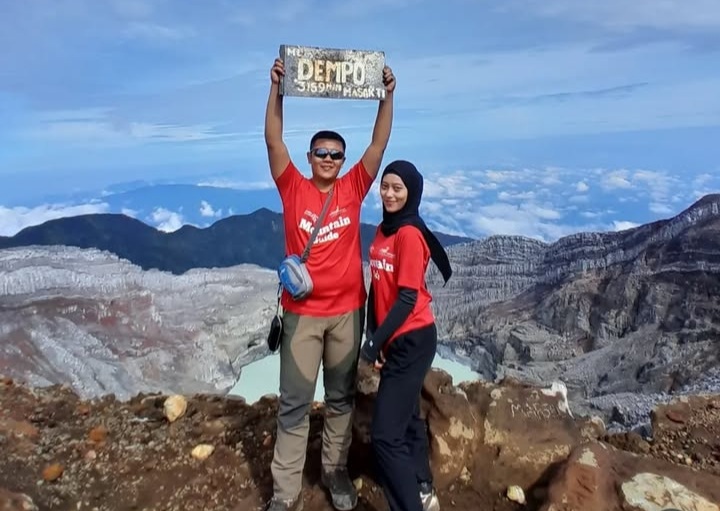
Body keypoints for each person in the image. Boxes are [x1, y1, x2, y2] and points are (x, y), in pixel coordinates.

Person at [264, 56, 396, 511]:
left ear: (342, 160)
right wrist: (277, 90)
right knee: (294, 405)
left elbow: (379, 143)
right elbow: (272, 138)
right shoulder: (292, 187)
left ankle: (335, 473)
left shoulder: (353, 187)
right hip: (302, 316)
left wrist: (388, 95)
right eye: (320, 153)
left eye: (335, 154)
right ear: (309, 158)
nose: (328, 159)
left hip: (346, 313)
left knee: (340, 400)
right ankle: (284, 494)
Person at [359, 160, 452, 511]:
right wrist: (376, 333)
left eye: (398, 188)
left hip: (413, 337)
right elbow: (377, 287)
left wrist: (374, 344)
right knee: (408, 416)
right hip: (395, 337)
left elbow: (408, 297)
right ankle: (423, 485)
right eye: (385, 186)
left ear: (411, 192)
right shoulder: (384, 229)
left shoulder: (410, 234)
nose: (389, 193)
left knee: (384, 436)